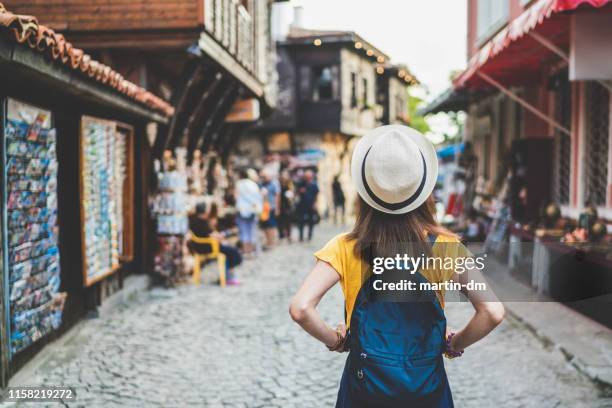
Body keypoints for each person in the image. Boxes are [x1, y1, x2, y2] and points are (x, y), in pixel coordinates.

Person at [289, 125, 505, 407]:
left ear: (365, 192)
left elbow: (301, 308)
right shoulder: (445, 248)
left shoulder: (345, 246)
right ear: (423, 192)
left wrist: (336, 340)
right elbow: (492, 311)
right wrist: (454, 344)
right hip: (426, 385)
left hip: (365, 385)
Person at [189, 202, 242, 285]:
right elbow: (214, 235)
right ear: (205, 212)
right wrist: (223, 235)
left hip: (199, 247)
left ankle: (227, 276)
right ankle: (227, 277)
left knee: (228, 254)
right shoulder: (203, 223)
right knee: (234, 253)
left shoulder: (193, 221)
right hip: (210, 247)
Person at [235, 169, 262, 257]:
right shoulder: (253, 184)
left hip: (242, 210)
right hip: (252, 210)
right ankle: (253, 251)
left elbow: (236, 196)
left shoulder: (238, 184)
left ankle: (246, 251)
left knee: (244, 231)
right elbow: (258, 198)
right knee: (252, 230)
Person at [295, 170, 319, 242]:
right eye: (306, 177)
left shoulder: (314, 184)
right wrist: (299, 191)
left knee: (311, 221)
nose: (308, 178)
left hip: (311, 205)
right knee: (301, 221)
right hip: (302, 205)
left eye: (309, 177)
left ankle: (309, 236)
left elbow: (316, 195)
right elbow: (296, 193)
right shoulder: (300, 184)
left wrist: (315, 204)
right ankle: (301, 236)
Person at [260, 168, 280, 249]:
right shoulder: (261, 184)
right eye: (263, 176)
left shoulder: (274, 184)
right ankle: (268, 241)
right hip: (263, 208)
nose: (264, 178)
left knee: (271, 226)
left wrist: (277, 208)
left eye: (265, 176)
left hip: (271, 208)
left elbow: (277, 196)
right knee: (265, 226)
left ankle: (272, 242)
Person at [277, 171, 295, 243]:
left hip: (287, 205)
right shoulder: (278, 184)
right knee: (280, 222)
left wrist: (291, 196)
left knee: (288, 221)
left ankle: (289, 236)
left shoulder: (289, 184)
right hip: (280, 205)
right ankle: (281, 236)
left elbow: (292, 193)